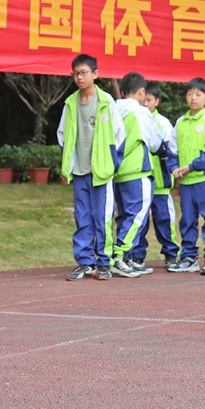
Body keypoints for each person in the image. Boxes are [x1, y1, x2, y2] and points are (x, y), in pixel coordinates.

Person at [58, 54, 125, 281]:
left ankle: (104, 262)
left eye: (84, 72)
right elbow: (62, 136)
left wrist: (112, 164)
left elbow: (119, 136)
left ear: (95, 74)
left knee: (103, 217)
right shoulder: (69, 104)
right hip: (80, 172)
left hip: (102, 172)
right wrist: (69, 162)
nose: (79, 77)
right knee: (82, 218)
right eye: (76, 73)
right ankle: (85, 262)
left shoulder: (106, 102)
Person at [170, 77, 205, 276]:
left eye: (198, 94)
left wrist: (189, 168)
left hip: (204, 180)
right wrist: (174, 167)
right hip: (186, 183)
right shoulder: (180, 122)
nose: (193, 98)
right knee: (187, 220)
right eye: (189, 93)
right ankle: (188, 257)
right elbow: (172, 150)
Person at [110, 72, 163, 278]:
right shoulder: (140, 112)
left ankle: (127, 257)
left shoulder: (113, 108)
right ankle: (121, 256)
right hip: (137, 170)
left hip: (118, 171)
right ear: (142, 91)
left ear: (123, 92)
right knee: (137, 215)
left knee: (124, 215)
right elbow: (154, 141)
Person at [131, 83, 180, 272]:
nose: (145, 103)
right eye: (143, 99)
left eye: (149, 100)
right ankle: (137, 256)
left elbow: (170, 152)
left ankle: (170, 255)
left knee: (164, 221)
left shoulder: (164, 124)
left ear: (157, 102)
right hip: (140, 182)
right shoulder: (135, 118)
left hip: (160, 184)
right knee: (140, 222)